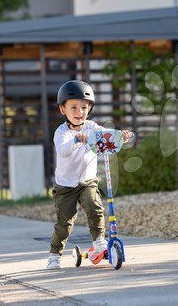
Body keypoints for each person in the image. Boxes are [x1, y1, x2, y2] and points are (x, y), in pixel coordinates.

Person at [47, 80, 133, 270]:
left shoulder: (92, 127)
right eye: (74, 108)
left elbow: (106, 134)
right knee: (64, 224)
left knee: (95, 207)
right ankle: (54, 255)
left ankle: (100, 241)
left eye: (84, 107)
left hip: (87, 181)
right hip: (65, 186)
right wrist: (77, 139)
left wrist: (122, 135)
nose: (79, 112)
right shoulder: (61, 133)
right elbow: (63, 151)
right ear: (63, 110)